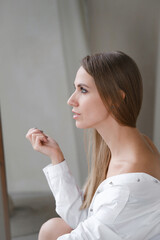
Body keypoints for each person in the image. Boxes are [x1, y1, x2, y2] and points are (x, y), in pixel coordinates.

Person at [26, 51, 160, 240]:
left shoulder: (127, 183)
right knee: (53, 228)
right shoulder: (134, 145)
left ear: (115, 98)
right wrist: (56, 157)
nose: (71, 100)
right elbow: (86, 218)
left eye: (83, 90)